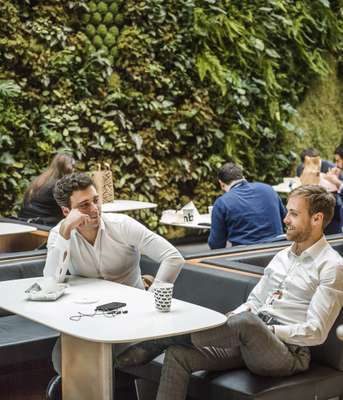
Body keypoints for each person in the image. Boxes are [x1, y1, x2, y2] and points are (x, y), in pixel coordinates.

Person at [115, 185, 343, 400]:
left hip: (286, 354)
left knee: (247, 323)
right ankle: (172, 341)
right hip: (248, 342)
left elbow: (316, 332)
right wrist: (236, 316)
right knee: (178, 355)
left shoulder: (331, 265)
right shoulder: (282, 256)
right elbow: (254, 301)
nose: (285, 219)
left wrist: (265, 328)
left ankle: (162, 339)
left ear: (317, 219)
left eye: (293, 214)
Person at [43, 172, 184, 398]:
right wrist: (66, 232)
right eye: (84, 204)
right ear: (66, 212)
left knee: (106, 361)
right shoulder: (59, 234)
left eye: (96, 200)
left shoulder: (122, 225)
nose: (95, 208)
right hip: (90, 317)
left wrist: (152, 298)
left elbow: (173, 256)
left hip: (135, 318)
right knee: (61, 358)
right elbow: (51, 281)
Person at [208, 162, 285, 248]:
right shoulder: (269, 189)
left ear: (221, 184)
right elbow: (286, 220)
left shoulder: (222, 203)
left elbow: (216, 244)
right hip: (277, 249)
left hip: (246, 255)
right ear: (243, 177)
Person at [19, 153, 75, 226]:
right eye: (73, 167)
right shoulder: (59, 185)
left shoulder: (40, 180)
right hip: (41, 225)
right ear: (68, 168)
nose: (74, 170)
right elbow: (72, 209)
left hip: (24, 221)